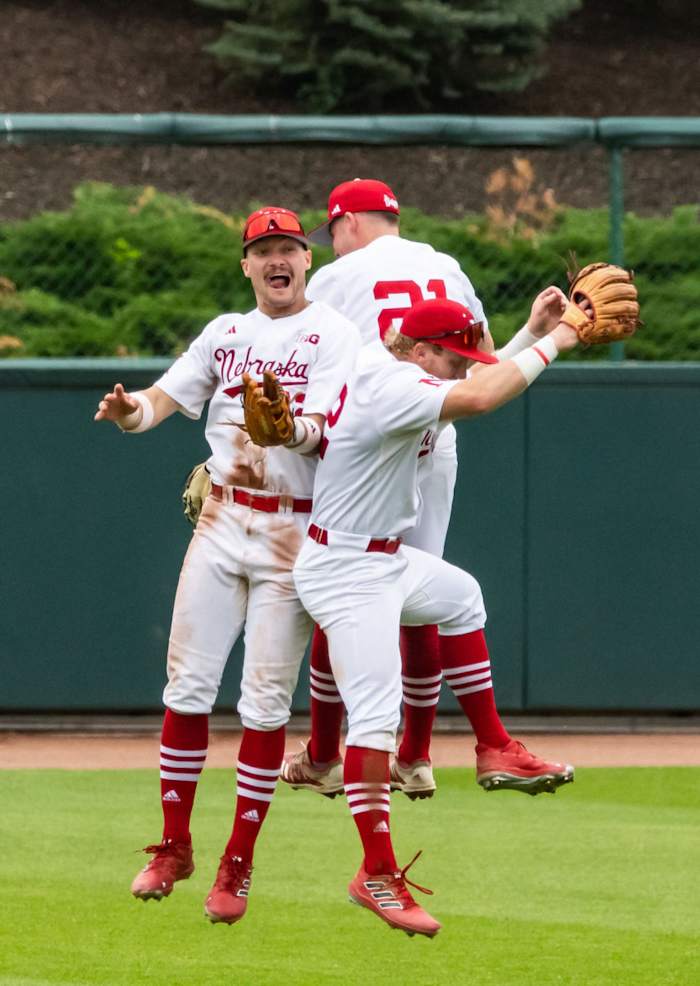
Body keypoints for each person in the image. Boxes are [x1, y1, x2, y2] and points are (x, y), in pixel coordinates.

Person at [94, 207, 360, 924]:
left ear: (308, 260)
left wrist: (296, 431)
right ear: (246, 264)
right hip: (221, 519)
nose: (278, 260)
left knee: (265, 702)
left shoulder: (335, 334)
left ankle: (236, 866)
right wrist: (128, 413)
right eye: (264, 250)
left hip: (292, 532)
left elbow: (332, 429)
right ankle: (173, 846)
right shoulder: (226, 332)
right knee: (186, 685)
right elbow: (161, 399)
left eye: (289, 249)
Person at [289, 296, 583, 937]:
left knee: (460, 597)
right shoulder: (390, 383)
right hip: (344, 569)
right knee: (374, 719)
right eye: (452, 358)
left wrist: (529, 332)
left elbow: (472, 381)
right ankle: (376, 873)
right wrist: (558, 339)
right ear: (420, 351)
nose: (460, 370)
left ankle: (494, 747)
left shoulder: (405, 366)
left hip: (383, 558)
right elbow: (479, 398)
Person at [281, 178, 573, 800]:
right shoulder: (443, 265)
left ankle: (341, 753)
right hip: (410, 440)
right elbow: (479, 368)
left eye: (330, 232)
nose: (331, 245)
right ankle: (407, 755)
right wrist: (546, 339)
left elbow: (467, 370)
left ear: (348, 223)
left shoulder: (338, 282)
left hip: (368, 435)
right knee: (390, 596)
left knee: (423, 591)